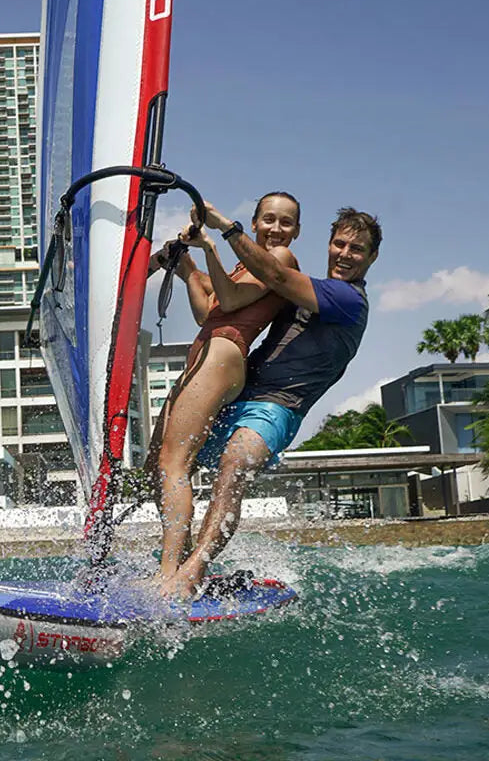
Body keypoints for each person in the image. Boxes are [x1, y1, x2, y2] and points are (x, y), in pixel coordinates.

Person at [156, 203, 381, 600]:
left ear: (371, 258)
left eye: (357, 249)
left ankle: (192, 571)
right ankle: (175, 563)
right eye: (340, 244)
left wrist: (226, 228)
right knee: (167, 465)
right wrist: (186, 262)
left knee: (234, 467)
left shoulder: (348, 299)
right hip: (240, 398)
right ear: (329, 245)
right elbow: (225, 297)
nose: (345, 255)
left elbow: (273, 272)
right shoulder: (304, 286)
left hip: (278, 408)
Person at [144, 193, 302, 592]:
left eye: (286, 222)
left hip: (224, 352)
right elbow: (208, 310)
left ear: (296, 232)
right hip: (208, 348)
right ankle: (177, 563)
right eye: (269, 220)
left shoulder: (280, 260)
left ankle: (169, 577)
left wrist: (212, 241)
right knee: (157, 466)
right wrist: (187, 266)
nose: (276, 229)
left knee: (174, 462)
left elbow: (229, 301)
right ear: (255, 223)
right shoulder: (241, 266)